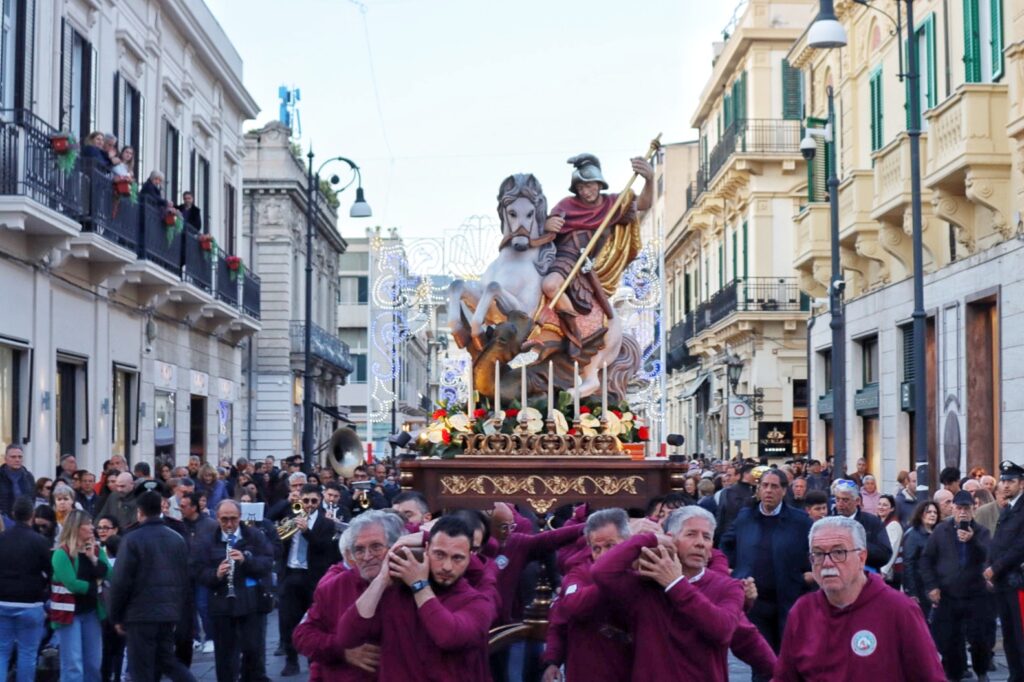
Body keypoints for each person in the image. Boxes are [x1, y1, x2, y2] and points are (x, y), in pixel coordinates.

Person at [773, 516, 945, 681]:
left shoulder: (899, 610)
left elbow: (929, 677)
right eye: (818, 554)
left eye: (838, 552)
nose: (827, 563)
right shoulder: (802, 611)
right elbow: (784, 677)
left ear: (862, 558)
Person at [590, 506, 744, 681]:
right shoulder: (644, 584)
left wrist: (675, 584)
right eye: (691, 534)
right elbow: (600, 572)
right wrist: (649, 538)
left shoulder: (729, 587)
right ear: (670, 539)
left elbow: (722, 630)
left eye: (707, 537)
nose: (700, 542)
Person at [334, 515, 492, 680]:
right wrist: (381, 579)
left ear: (470, 558)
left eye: (457, 558)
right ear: (426, 550)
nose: (447, 566)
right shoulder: (396, 593)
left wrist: (419, 586)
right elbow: (347, 636)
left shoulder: (478, 602)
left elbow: (448, 637)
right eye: (439, 555)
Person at [530, 153, 653, 355]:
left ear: (599, 183)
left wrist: (649, 179)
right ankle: (572, 329)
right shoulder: (566, 206)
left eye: (589, 186)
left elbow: (644, 204)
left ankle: (581, 334)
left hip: (592, 264)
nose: (585, 192)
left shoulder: (614, 203)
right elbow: (541, 231)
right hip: (566, 256)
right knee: (550, 285)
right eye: (580, 188)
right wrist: (546, 225)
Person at [293, 510, 405, 680]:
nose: (367, 557)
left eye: (376, 547)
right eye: (359, 550)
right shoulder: (334, 587)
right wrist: (342, 650)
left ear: (394, 547)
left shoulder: (411, 583)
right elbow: (302, 635)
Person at [720, 469, 811, 677]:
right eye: (765, 486)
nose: (768, 490)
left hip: (787, 600)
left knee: (788, 659)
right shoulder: (746, 517)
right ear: (758, 489)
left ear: (784, 490)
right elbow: (726, 543)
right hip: (756, 602)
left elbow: (813, 550)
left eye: (774, 486)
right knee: (761, 661)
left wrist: (808, 575)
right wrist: (733, 571)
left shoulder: (799, 521)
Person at [108, 491, 196, 682]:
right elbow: (184, 578)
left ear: (140, 512)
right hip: (168, 612)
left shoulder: (132, 539)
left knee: (142, 668)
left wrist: (115, 615)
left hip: (140, 614)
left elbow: (121, 581)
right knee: (166, 660)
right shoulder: (176, 538)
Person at [541, 508, 633, 682]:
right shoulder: (579, 573)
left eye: (610, 546)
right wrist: (552, 660)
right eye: (597, 548)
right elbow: (564, 616)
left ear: (628, 543)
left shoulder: (645, 572)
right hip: (587, 672)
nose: (603, 554)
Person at [190, 499, 274, 682]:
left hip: (251, 602)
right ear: (217, 518)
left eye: (233, 519)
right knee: (225, 656)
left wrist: (246, 560)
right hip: (222, 605)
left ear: (240, 517)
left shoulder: (253, 536)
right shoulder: (206, 540)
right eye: (224, 519)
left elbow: (267, 563)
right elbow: (197, 570)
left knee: (253, 651)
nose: (229, 524)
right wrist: (216, 574)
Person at [920, 490, 993, 682]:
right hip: (948, 595)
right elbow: (926, 559)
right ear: (952, 508)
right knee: (950, 640)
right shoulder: (941, 531)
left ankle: (982, 670)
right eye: (959, 508)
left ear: (973, 509)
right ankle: (954, 674)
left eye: (966, 508)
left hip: (975, 595)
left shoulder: (981, 532)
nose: (962, 512)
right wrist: (932, 586)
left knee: (979, 638)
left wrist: (972, 540)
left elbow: (988, 556)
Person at [278, 483, 341, 676]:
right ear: (300, 501)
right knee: (288, 619)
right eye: (306, 501)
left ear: (320, 501)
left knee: (315, 622)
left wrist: (306, 532)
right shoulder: (291, 518)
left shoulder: (327, 523)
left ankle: (314, 660)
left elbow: (323, 548)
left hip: (313, 577)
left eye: (314, 501)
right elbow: (279, 542)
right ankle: (291, 660)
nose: (310, 505)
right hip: (292, 573)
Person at [51, 509, 113, 681]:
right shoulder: (61, 554)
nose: (93, 527)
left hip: (91, 612)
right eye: (88, 524)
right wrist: (95, 586)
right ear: (77, 527)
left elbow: (109, 573)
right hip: (68, 614)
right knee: (73, 666)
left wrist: (93, 558)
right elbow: (71, 584)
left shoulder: (96, 549)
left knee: (93, 664)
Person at [0, 497, 53, 682]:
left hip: (2, 601)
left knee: (1, 652)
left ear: (13, 515)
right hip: (31, 604)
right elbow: (50, 571)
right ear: (32, 516)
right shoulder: (39, 541)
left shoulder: (2, 539)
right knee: (28, 653)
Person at [984, 460, 1024, 682]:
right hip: (1003, 581)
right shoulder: (1009, 508)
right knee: (1009, 635)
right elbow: (998, 543)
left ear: (1022, 484)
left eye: (1011, 481)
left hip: (1017, 581)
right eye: (1004, 481)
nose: (1006, 485)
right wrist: (991, 568)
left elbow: (1020, 546)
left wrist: (995, 568)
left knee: (1019, 635)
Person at [831, 479, 892, 570]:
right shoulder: (828, 523)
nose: (840, 504)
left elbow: (885, 555)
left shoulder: (872, 521)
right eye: (837, 499)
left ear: (857, 501)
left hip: (865, 576)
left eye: (845, 500)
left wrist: (857, 543)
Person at [901, 500, 941, 620]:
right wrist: (912, 592)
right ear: (921, 514)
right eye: (928, 512)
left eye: (935, 512)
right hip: (920, 587)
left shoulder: (938, 533)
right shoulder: (913, 534)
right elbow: (908, 564)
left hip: (937, 584)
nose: (933, 515)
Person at [715, 462, 756, 544]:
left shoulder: (754, 490)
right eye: (755, 474)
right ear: (746, 474)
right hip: (732, 537)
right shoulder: (730, 492)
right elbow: (728, 513)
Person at [0, 444, 35, 519]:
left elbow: (32, 498)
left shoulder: (28, 477)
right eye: (13, 457)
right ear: (5, 458)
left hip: (25, 519)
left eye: (20, 457)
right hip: (3, 519)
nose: (17, 460)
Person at [876, 493, 903, 586]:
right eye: (879, 504)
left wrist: (883, 571)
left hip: (890, 573)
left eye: (885, 505)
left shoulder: (894, 525)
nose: (881, 507)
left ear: (892, 508)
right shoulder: (878, 522)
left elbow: (892, 550)